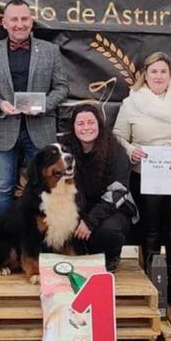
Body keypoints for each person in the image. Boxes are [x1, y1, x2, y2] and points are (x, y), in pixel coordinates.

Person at [113, 51, 171, 310]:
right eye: (153, 71)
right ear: (145, 75)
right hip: (148, 174)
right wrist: (131, 150)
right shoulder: (132, 103)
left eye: (163, 71)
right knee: (151, 232)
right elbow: (118, 136)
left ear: (170, 74)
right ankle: (154, 291)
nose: (158, 76)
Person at [0, 0, 69, 217]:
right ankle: (4, 243)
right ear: (4, 22)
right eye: (14, 19)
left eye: (24, 18)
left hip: (40, 130)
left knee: (47, 188)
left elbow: (62, 87)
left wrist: (43, 105)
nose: (20, 24)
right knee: (3, 189)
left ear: (31, 21)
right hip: (2, 129)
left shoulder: (51, 50)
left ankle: (43, 244)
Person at [62, 104, 138, 272]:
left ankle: (110, 257)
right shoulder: (65, 151)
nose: (86, 127)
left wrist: (89, 222)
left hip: (113, 209)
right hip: (78, 208)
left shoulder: (116, 151)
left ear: (99, 124)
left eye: (91, 122)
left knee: (107, 231)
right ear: (73, 127)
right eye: (80, 123)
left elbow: (118, 192)